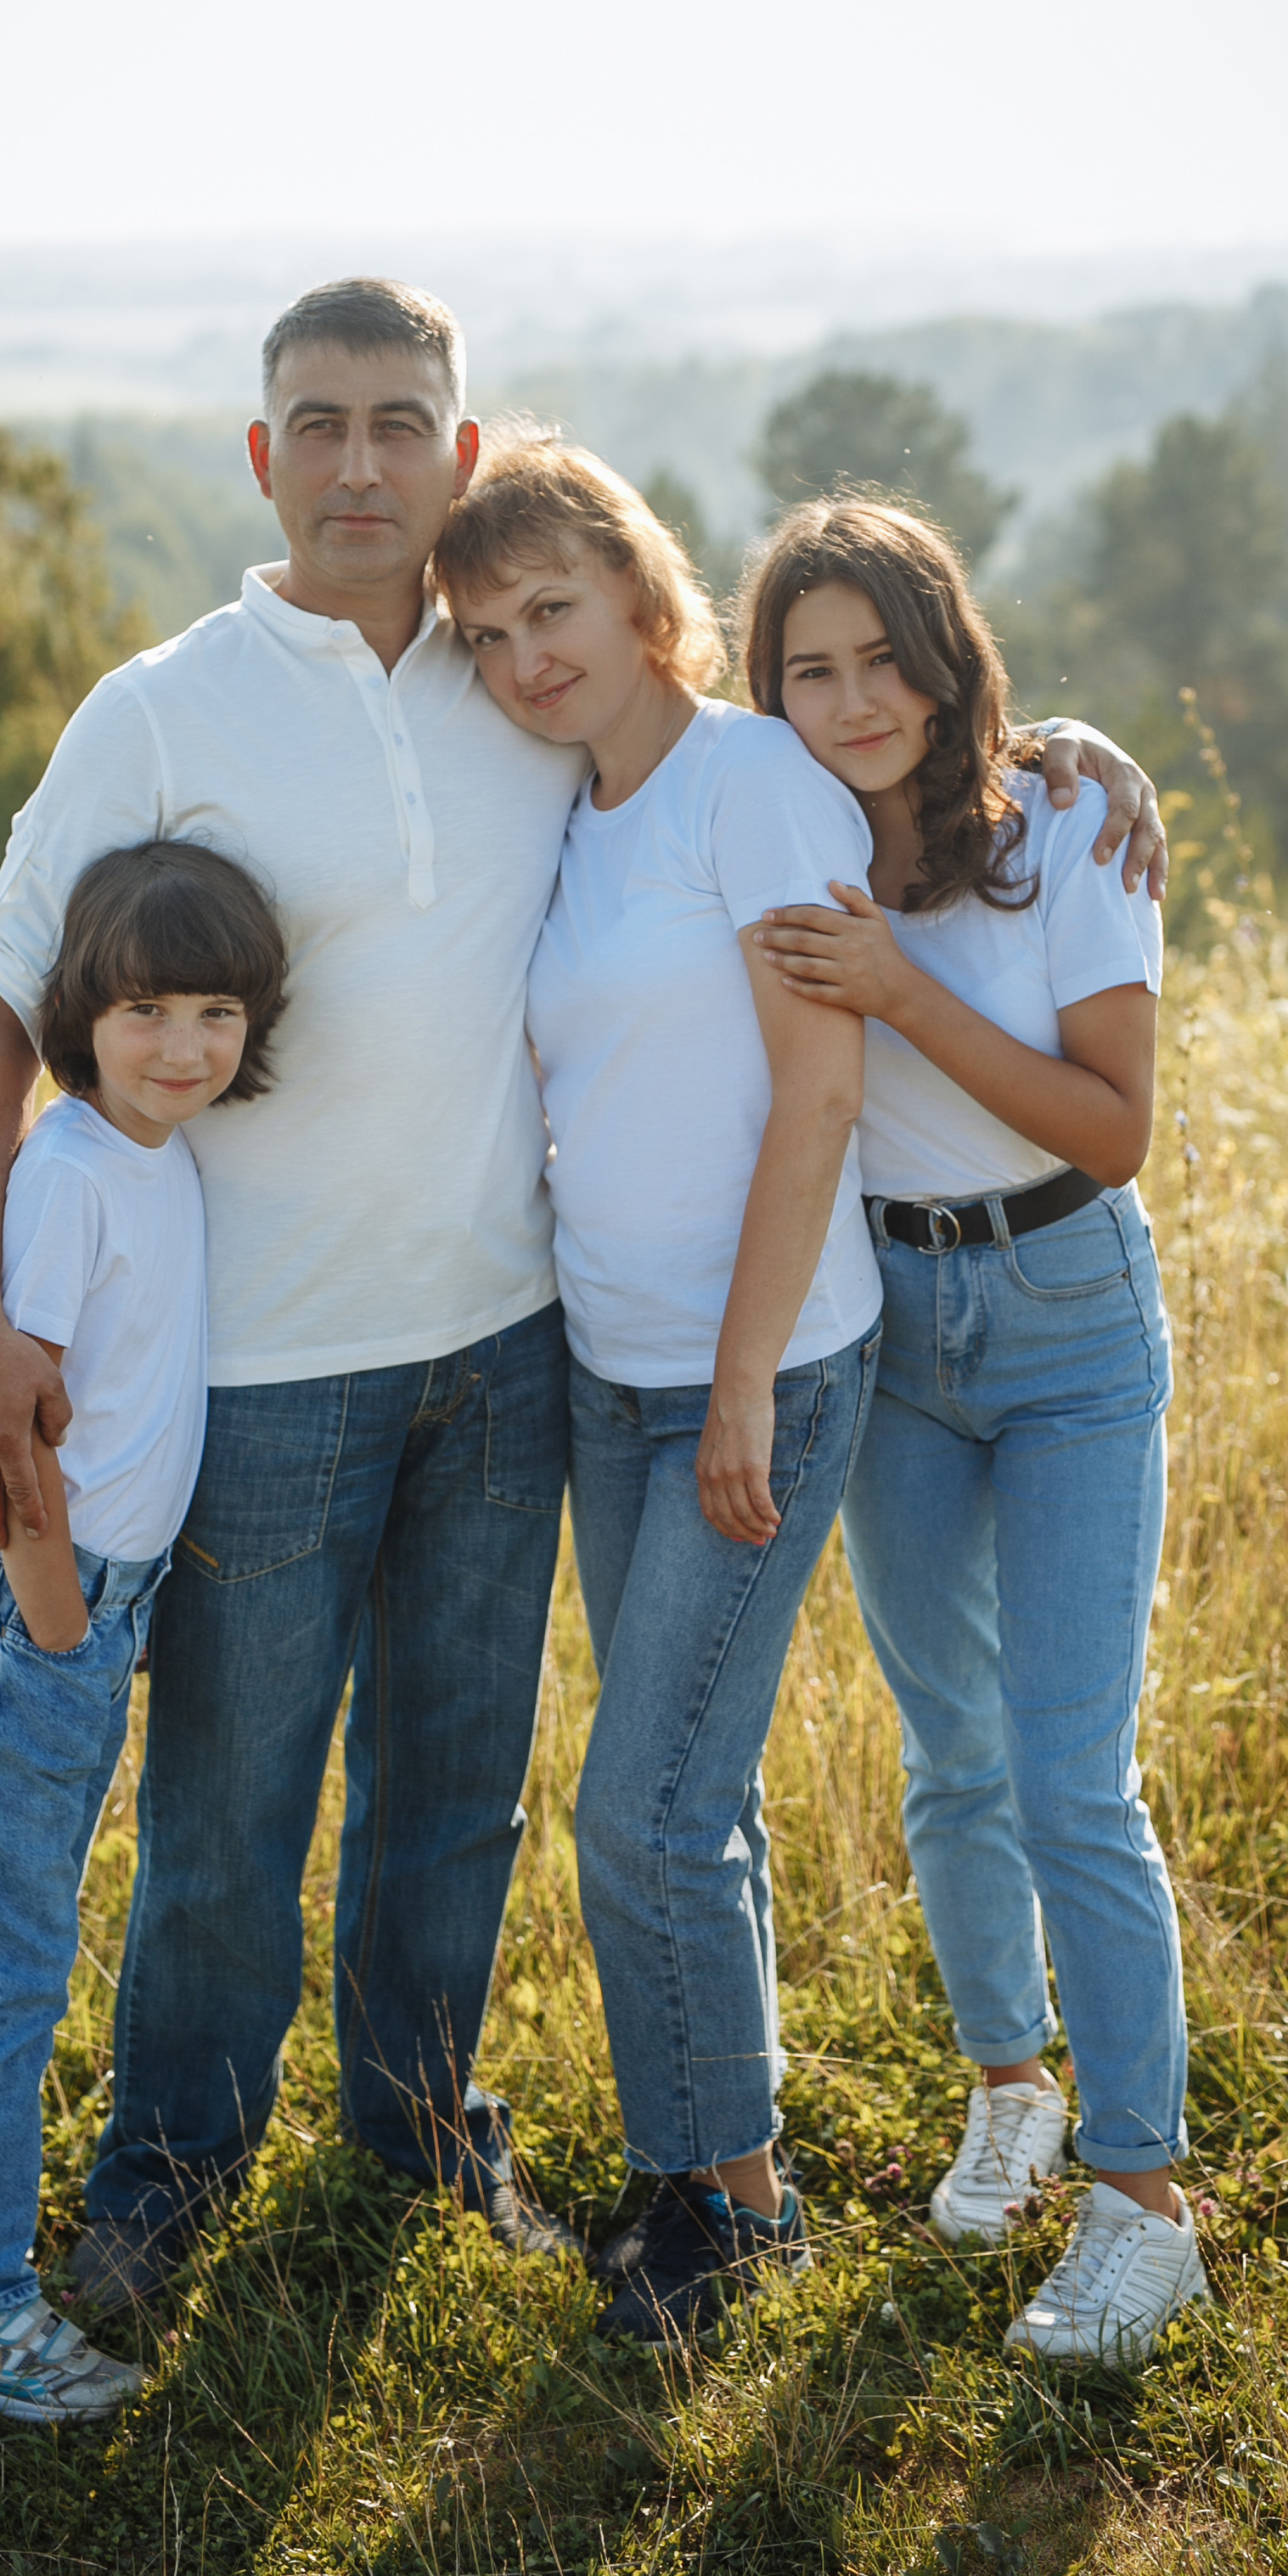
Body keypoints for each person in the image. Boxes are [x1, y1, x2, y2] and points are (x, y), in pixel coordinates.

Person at [0, 274, 1167, 2314]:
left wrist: (1060, 750)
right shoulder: (168, 709)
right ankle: (168, 2177)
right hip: (272, 1360)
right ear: (264, 455)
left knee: (463, 1800)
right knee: (231, 1808)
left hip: (513, 1354)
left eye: (398, 423)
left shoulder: (535, 705)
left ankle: (424, 2129)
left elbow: (824, 762)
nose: (360, 464)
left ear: (461, 454)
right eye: (320, 426)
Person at [748, 497, 1206, 2368]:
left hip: (1066, 1313)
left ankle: (1144, 2202)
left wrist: (901, 992)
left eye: (885, 659)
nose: (855, 701)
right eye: (811, 670)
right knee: (949, 1751)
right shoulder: (774, 839)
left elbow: (1113, 1127)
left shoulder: (1067, 826)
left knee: (1067, 1772)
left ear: (949, 664)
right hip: (891, 1324)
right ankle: (1011, 2087)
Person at [436, 439, 884, 2344]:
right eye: (487, 634)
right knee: (693, 1792)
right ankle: (710, 2175)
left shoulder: (748, 782)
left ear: (638, 593)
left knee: (639, 1811)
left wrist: (740, 1385)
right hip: (607, 1374)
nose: (526, 658)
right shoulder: (572, 809)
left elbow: (821, 1091)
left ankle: (728, 2210)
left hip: (752, 1371)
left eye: (553, 608)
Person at [0, 837, 288, 2421]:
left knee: (23, 1958)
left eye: (215, 1013)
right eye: (145, 1013)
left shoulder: (158, 1153)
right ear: (81, 1018)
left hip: (85, 1613)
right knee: (6, 1975)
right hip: (25, 1616)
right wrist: (62, 1625)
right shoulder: (65, 1174)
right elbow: (19, 1438)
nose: (182, 1047)